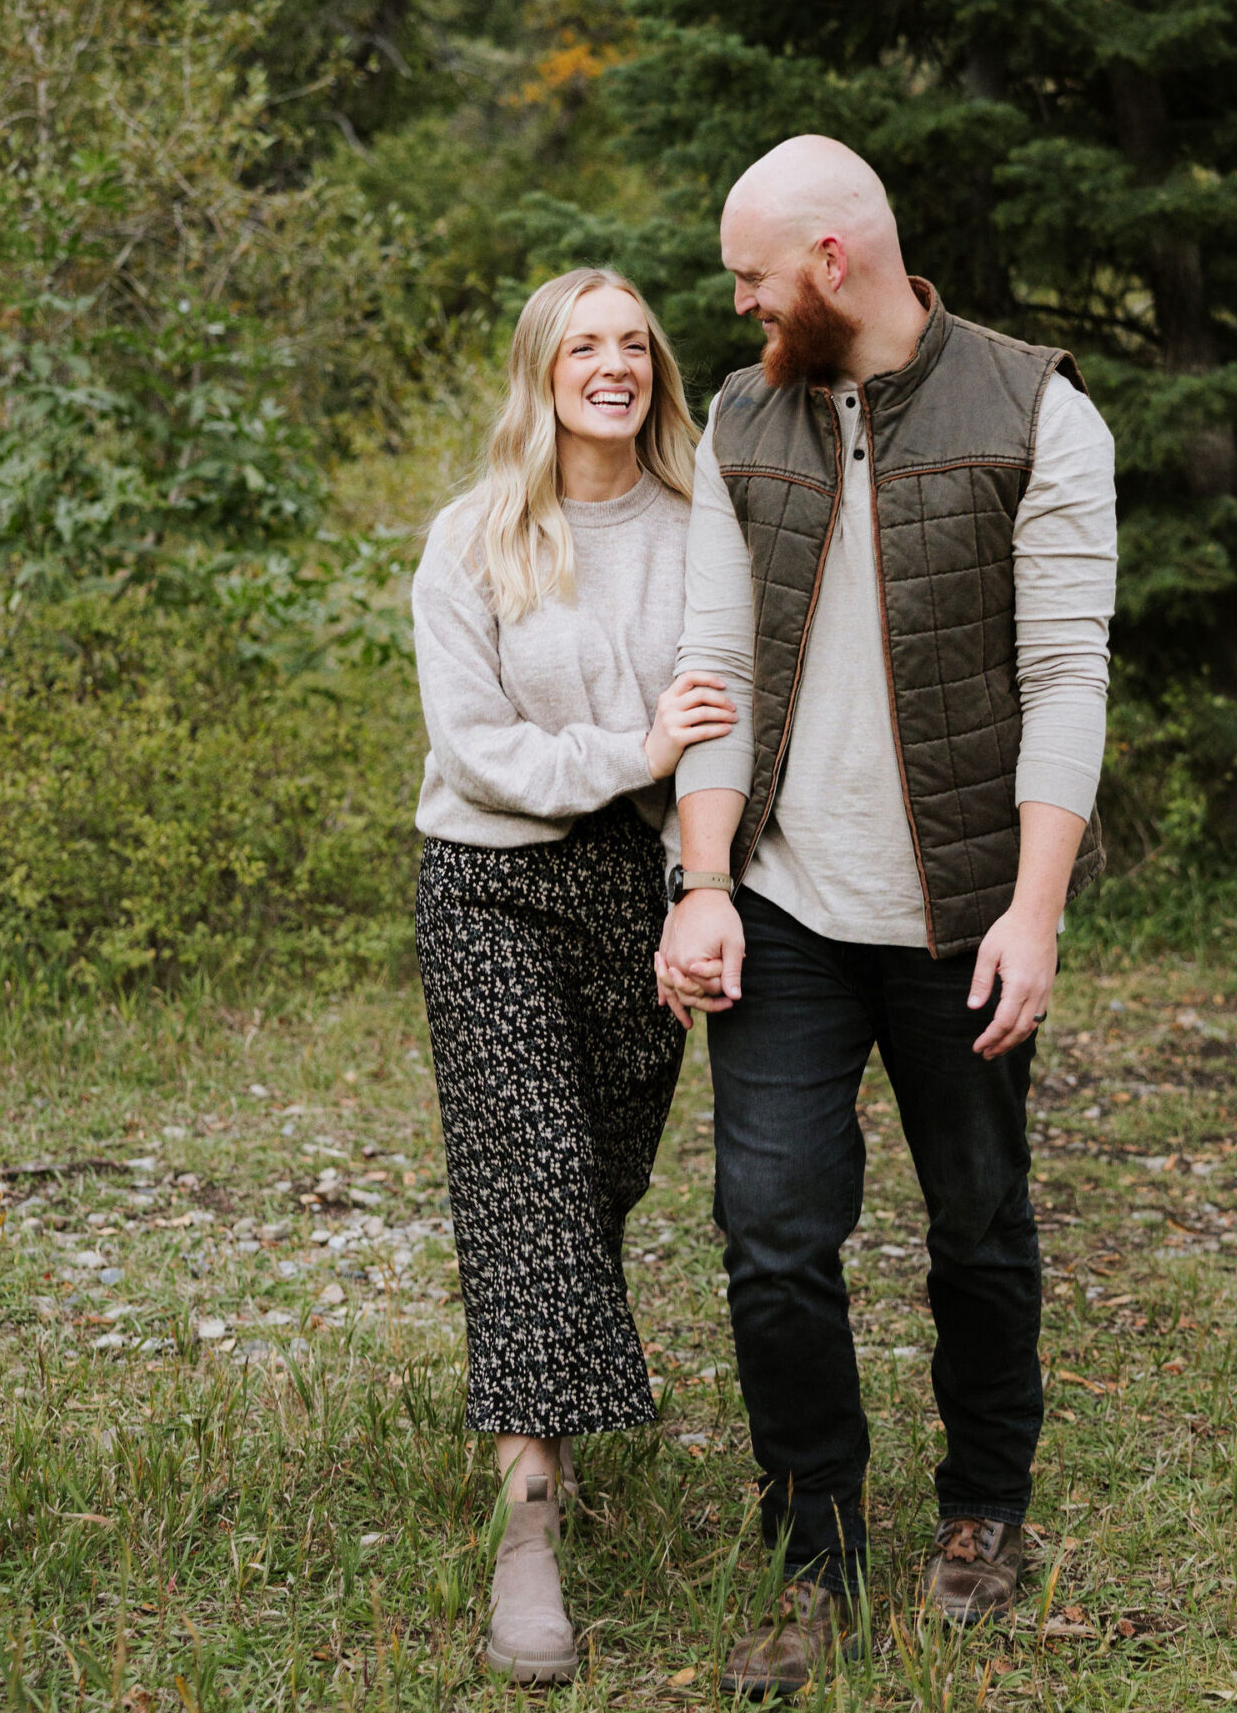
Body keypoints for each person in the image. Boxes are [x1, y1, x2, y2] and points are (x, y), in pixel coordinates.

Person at [656, 137, 1116, 1697]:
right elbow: (714, 663)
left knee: (980, 1227)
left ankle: (985, 1512)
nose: (735, 301)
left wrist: (1034, 912)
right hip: (782, 902)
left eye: (751, 274)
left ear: (833, 264)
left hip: (963, 911)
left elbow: (1065, 677)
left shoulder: (1040, 413)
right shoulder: (741, 415)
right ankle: (818, 1552)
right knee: (773, 1241)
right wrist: (704, 881)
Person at [411, 266, 736, 1685]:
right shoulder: (474, 539)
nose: (613, 365)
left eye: (633, 345)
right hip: (488, 877)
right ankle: (528, 1522)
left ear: (656, 370)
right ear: (540, 371)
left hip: (635, 890)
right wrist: (634, 756)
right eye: (583, 346)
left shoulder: (698, 530)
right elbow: (481, 750)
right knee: (528, 1171)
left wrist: (690, 879)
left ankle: (535, 1407)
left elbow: (722, 728)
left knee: (596, 1177)